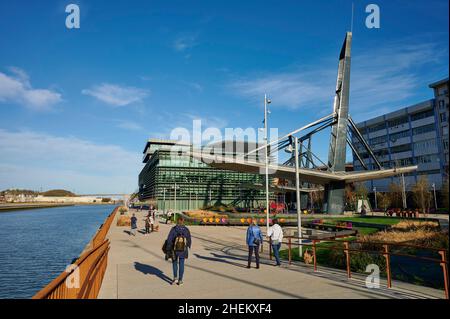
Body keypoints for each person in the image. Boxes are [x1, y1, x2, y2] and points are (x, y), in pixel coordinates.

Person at [166, 217, 192, 286]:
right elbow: (189, 240)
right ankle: (180, 280)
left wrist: (168, 248)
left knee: (174, 263)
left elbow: (169, 239)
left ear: (177, 221)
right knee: (181, 264)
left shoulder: (173, 229)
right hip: (183, 250)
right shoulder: (186, 230)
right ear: (183, 222)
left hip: (174, 250)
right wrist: (187, 247)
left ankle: (175, 278)